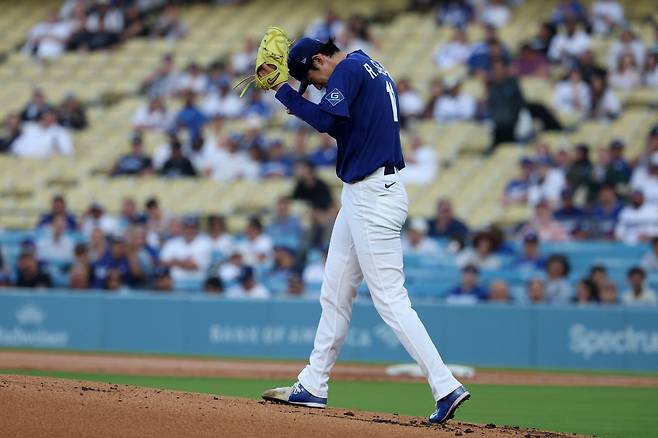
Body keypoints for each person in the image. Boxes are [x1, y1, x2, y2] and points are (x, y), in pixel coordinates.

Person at [257, 36, 468, 420]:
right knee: (335, 290)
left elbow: (325, 121)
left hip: (374, 193)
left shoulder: (350, 68)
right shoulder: (368, 66)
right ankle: (313, 384)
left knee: (389, 298)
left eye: (314, 79)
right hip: (361, 193)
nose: (317, 87)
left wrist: (285, 94)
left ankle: (446, 385)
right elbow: (343, 127)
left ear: (320, 59)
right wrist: (298, 99)